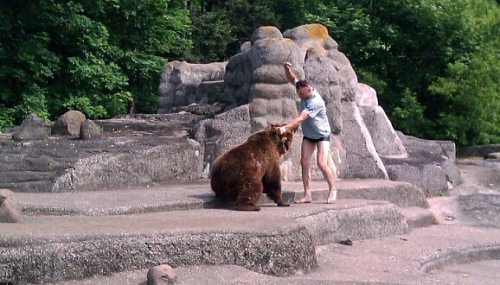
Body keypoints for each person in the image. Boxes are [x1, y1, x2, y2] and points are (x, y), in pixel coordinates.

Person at [276, 62, 337, 204]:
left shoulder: (315, 102)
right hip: (309, 135)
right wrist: (287, 70)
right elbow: (293, 79)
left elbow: (300, 119)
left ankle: (333, 189)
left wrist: (285, 129)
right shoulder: (302, 87)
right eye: (299, 95)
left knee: (322, 163)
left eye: (303, 95)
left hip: (322, 135)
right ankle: (307, 194)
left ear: (309, 90)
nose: (301, 97)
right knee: (304, 162)